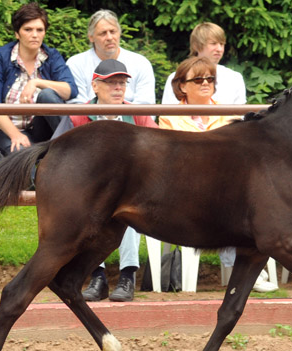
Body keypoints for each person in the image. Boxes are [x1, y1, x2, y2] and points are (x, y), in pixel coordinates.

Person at [159, 56, 276, 293]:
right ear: (182, 85)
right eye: (199, 79)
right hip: (185, 187)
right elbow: (169, 162)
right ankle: (247, 273)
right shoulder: (168, 117)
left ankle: (247, 270)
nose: (206, 83)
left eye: (210, 79)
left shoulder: (227, 113)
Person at [54, 59, 158, 302]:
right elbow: (56, 152)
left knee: (130, 210)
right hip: (88, 191)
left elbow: (159, 151)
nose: (118, 88)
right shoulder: (77, 115)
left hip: (132, 192)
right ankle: (97, 277)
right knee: (94, 210)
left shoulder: (138, 115)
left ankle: (127, 277)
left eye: (122, 83)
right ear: (95, 86)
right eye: (111, 83)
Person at [0, 2, 77, 158]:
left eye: (39, 30)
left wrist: (36, 82)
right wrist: (15, 134)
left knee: (47, 95)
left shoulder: (51, 56)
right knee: (24, 158)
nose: (35, 35)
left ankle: (74, 146)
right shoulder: (0, 57)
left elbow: (70, 90)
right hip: (9, 128)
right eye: (28, 29)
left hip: (41, 127)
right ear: (17, 34)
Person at [66, 9, 155, 105]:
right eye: (103, 33)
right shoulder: (76, 64)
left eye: (113, 32)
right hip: (89, 119)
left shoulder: (140, 63)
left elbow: (146, 106)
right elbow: (77, 106)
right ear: (91, 37)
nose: (109, 37)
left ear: (119, 33)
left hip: (132, 119)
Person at [161, 22, 246, 105]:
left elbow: (240, 116)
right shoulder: (177, 77)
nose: (219, 49)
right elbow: (169, 114)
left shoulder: (235, 78)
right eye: (213, 44)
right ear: (196, 46)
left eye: (222, 44)